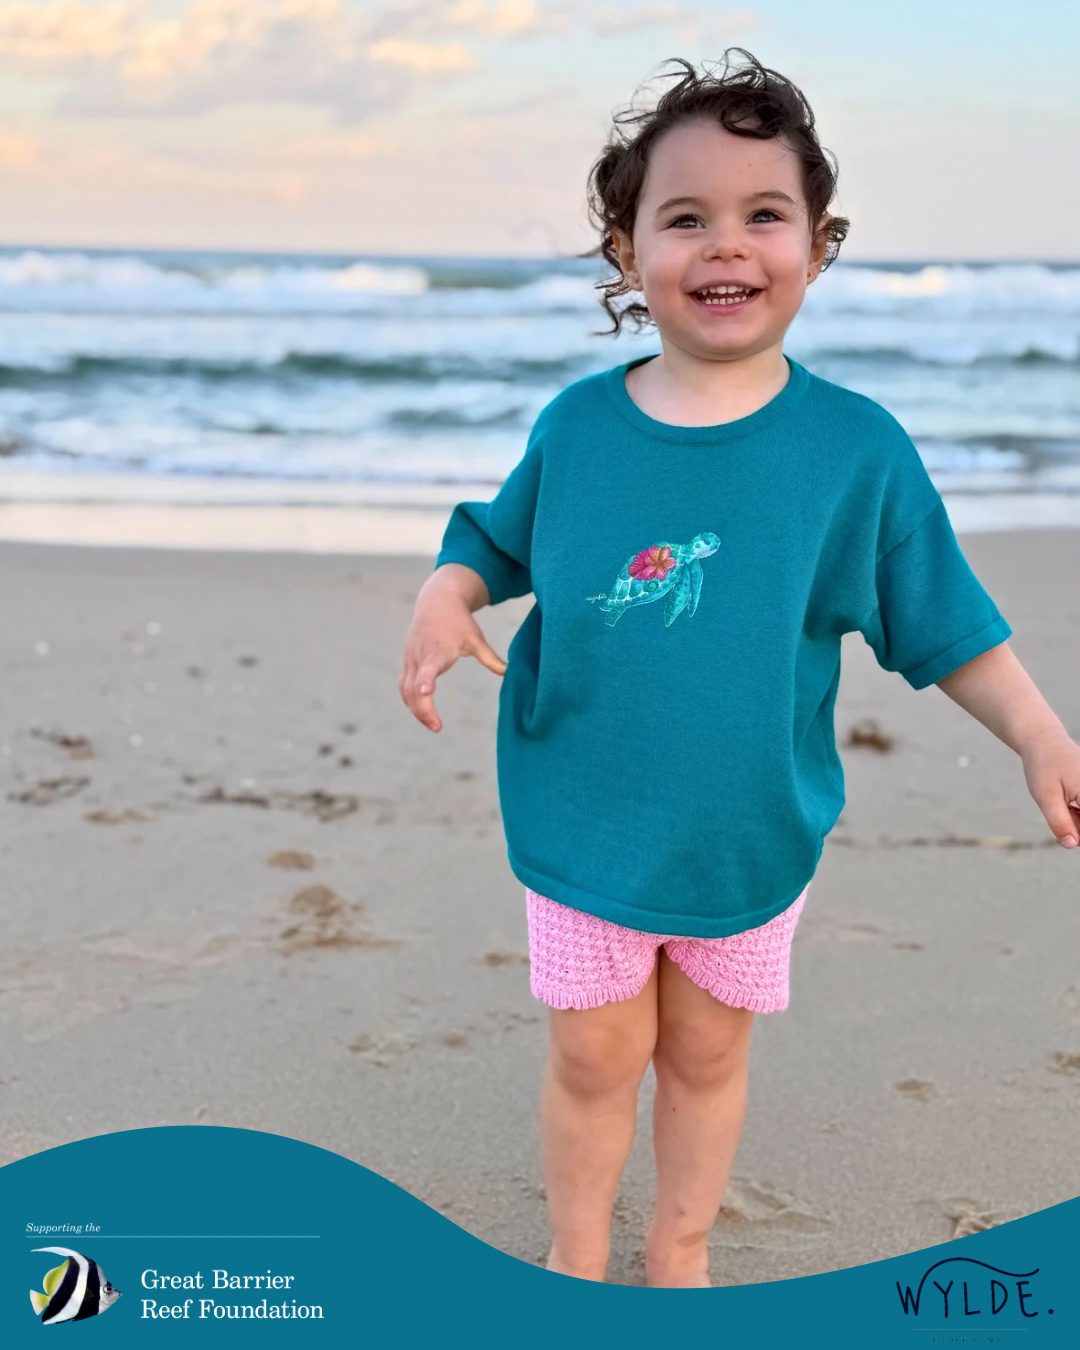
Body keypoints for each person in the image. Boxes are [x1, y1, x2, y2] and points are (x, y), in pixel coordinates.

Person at [398, 50, 1080, 1288]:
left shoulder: (855, 451)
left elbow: (944, 623)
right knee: (596, 1056)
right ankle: (573, 1253)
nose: (727, 245)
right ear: (627, 253)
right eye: (685, 218)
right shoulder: (579, 426)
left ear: (817, 245)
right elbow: (495, 542)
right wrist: (449, 593)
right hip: (585, 813)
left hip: (751, 829)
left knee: (708, 1054)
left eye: (765, 214)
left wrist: (1041, 735)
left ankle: (682, 1246)